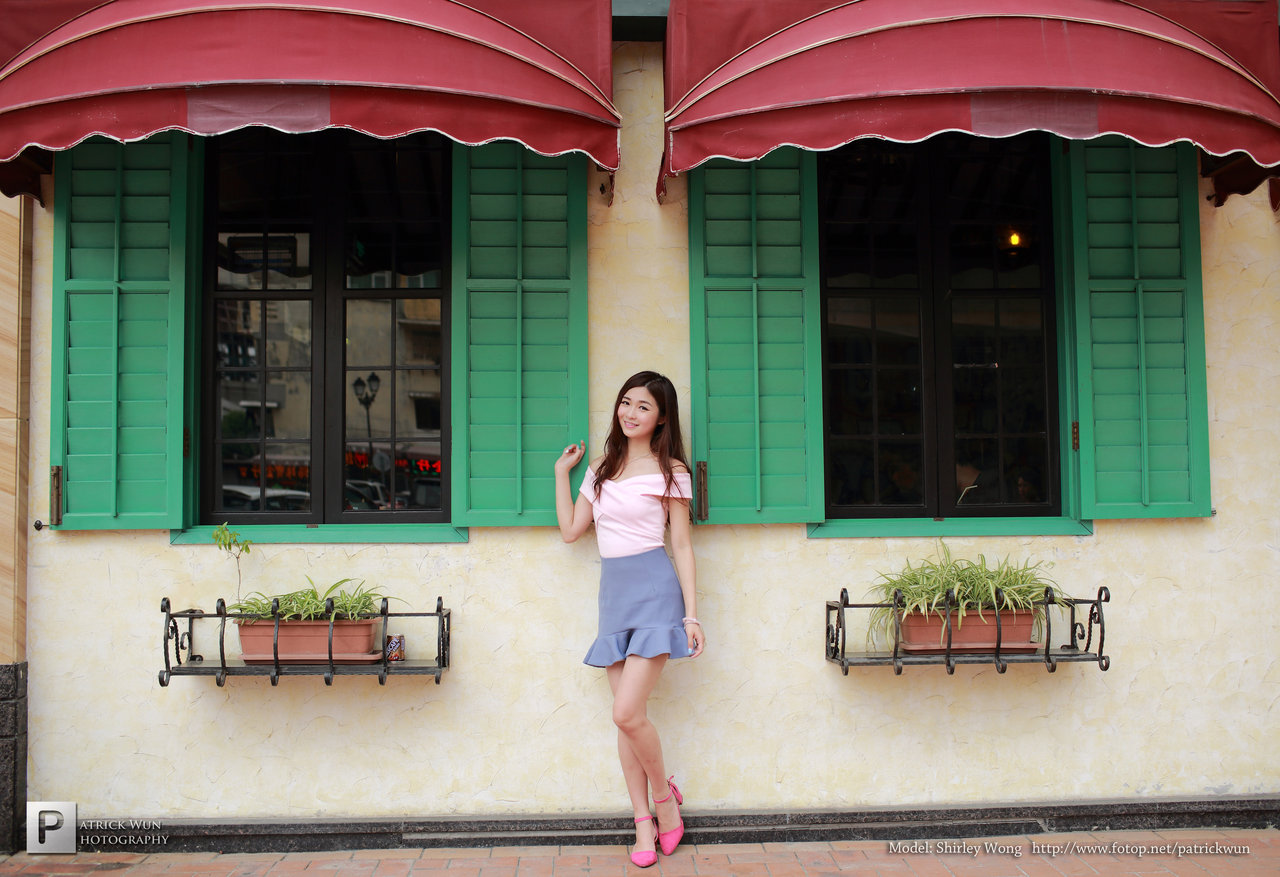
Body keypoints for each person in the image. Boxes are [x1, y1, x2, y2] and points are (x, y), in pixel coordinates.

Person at [553, 370, 705, 868]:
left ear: (661, 418)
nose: (630, 413)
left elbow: (681, 545)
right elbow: (572, 531)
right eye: (625, 402)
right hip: (613, 599)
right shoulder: (601, 468)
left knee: (624, 713)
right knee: (628, 719)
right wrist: (561, 474)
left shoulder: (671, 469)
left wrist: (691, 616)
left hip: (655, 593)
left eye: (643, 406)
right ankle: (643, 823)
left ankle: (664, 801)